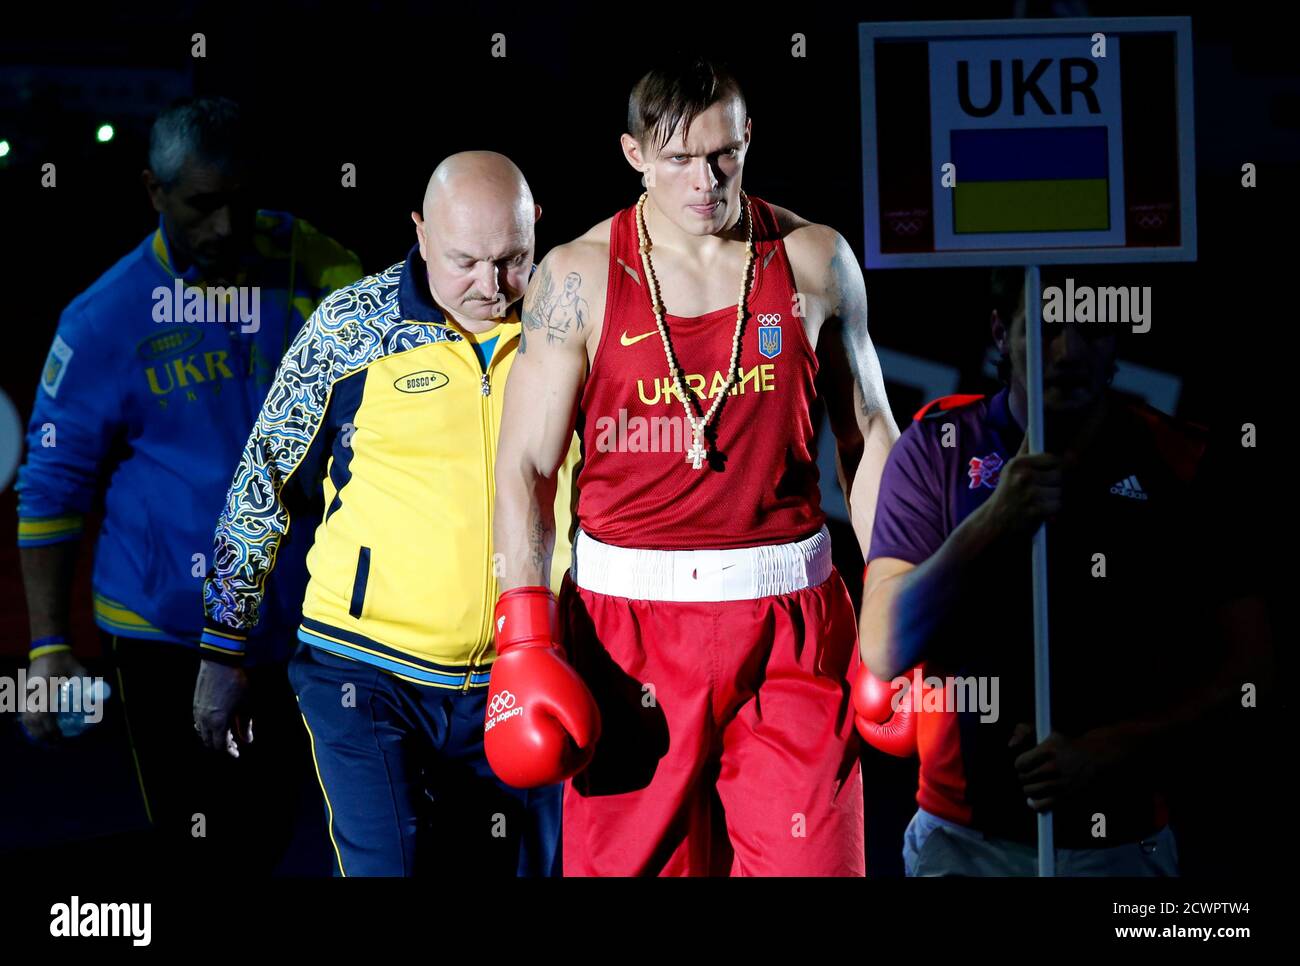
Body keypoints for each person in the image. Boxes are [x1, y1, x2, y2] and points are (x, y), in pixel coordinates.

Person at [489, 55, 899, 876]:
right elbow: (525, 467)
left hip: (792, 626)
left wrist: (897, 595)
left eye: (722, 156)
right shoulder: (576, 275)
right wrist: (524, 634)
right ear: (634, 154)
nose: (704, 182)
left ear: (748, 140)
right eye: (677, 159)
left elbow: (870, 436)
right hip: (627, 639)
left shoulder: (816, 259)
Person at [202, 151, 581, 876]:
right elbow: (260, 485)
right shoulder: (348, 329)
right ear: (419, 231)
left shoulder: (570, 323)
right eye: (464, 261)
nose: (490, 286)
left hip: (525, 666)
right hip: (364, 670)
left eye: (511, 260)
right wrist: (223, 648)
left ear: (536, 228)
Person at [16, 96, 362, 873]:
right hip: (165, 630)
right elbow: (50, 489)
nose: (227, 229)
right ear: (153, 191)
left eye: (244, 203)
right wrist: (46, 648)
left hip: (299, 622)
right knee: (202, 847)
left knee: (278, 835)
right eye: (203, 206)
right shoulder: (102, 320)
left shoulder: (314, 265)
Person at [859, 267, 1272, 876]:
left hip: (1122, 842)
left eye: (1094, 328)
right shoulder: (936, 449)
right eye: (1048, 328)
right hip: (963, 841)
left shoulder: (1180, 461)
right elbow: (885, 646)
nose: (1071, 351)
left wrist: (1117, 748)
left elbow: (1250, 673)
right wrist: (993, 521)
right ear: (1003, 333)